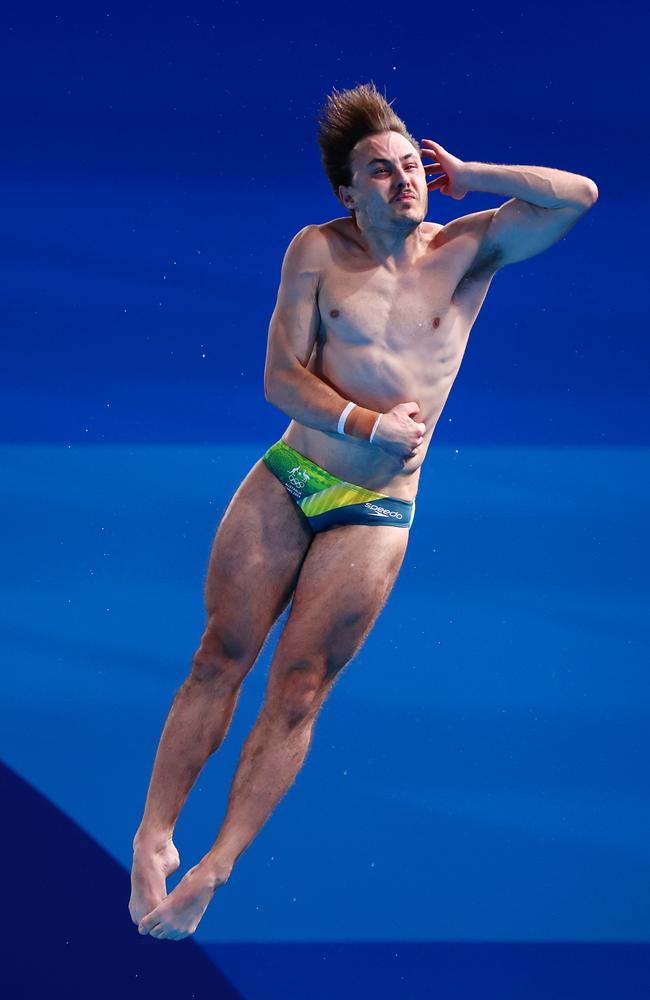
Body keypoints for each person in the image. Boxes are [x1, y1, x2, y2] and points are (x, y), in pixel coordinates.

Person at [129, 81, 598, 940]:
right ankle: (152, 836)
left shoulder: (466, 249)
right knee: (217, 655)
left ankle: (215, 865)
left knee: (300, 688)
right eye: (379, 171)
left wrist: (474, 172)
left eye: (411, 162)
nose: (402, 180)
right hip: (293, 477)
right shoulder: (315, 251)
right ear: (346, 192)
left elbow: (580, 197)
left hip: (375, 511)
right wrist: (365, 423)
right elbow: (279, 378)